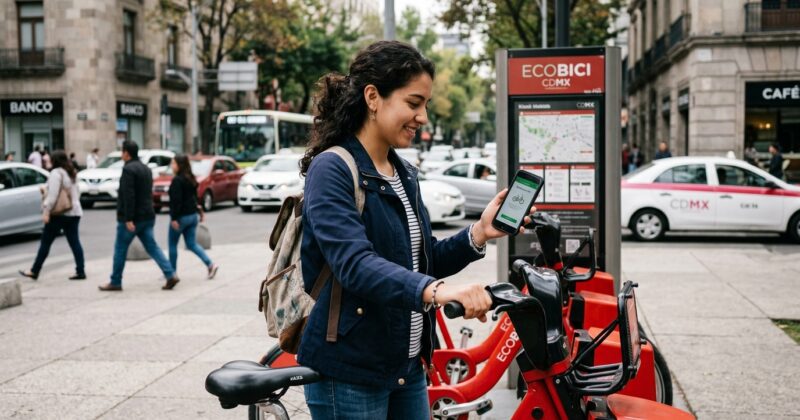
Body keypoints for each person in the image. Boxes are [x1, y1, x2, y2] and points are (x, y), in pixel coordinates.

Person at [297, 41, 535, 419]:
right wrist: (437, 291)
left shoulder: (402, 172)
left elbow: (421, 261)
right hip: (350, 373)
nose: (423, 116)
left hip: (406, 368)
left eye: (424, 104)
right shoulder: (333, 169)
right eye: (413, 103)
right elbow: (354, 265)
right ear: (373, 97)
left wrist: (478, 233)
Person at [98, 141, 179, 291]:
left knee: (120, 249)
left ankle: (115, 281)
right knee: (152, 247)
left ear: (126, 153)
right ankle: (170, 273)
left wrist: (128, 218)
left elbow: (129, 195)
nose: (122, 155)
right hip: (147, 215)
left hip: (132, 218)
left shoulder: (128, 170)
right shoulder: (146, 169)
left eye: (122, 152)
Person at [18, 151, 85, 281]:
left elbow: (53, 196)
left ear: (55, 160)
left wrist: (46, 210)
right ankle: (80, 270)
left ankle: (35, 270)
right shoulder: (72, 173)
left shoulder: (56, 173)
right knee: (74, 242)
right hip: (74, 212)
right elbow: (77, 192)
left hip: (59, 214)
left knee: (46, 242)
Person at [167, 154, 219, 278]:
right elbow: (194, 198)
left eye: (173, 163)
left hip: (181, 217)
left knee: (172, 244)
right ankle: (210, 264)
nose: (171, 165)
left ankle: (171, 273)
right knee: (191, 244)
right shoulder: (191, 178)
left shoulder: (177, 180)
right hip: (192, 216)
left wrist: (174, 218)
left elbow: (176, 201)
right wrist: (199, 211)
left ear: (179, 165)